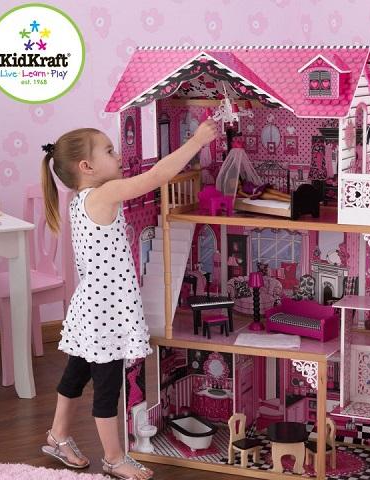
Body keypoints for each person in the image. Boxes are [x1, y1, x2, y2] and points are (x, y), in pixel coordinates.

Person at [40, 120, 217, 480]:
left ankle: (58, 436)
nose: (118, 156)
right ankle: (113, 458)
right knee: (107, 389)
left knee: (76, 374)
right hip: (105, 314)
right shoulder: (103, 195)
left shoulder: (81, 199)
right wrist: (197, 141)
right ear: (86, 167)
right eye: (109, 151)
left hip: (92, 307)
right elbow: (157, 176)